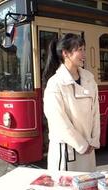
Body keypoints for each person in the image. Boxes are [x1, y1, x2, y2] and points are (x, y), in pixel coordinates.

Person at [43, 33, 100, 172]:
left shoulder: (89, 79)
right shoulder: (55, 83)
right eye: (79, 50)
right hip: (67, 152)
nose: (84, 54)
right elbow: (58, 121)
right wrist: (81, 145)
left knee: (88, 188)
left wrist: (93, 140)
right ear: (66, 53)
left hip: (88, 149)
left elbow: (95, 112)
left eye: (84, 49)